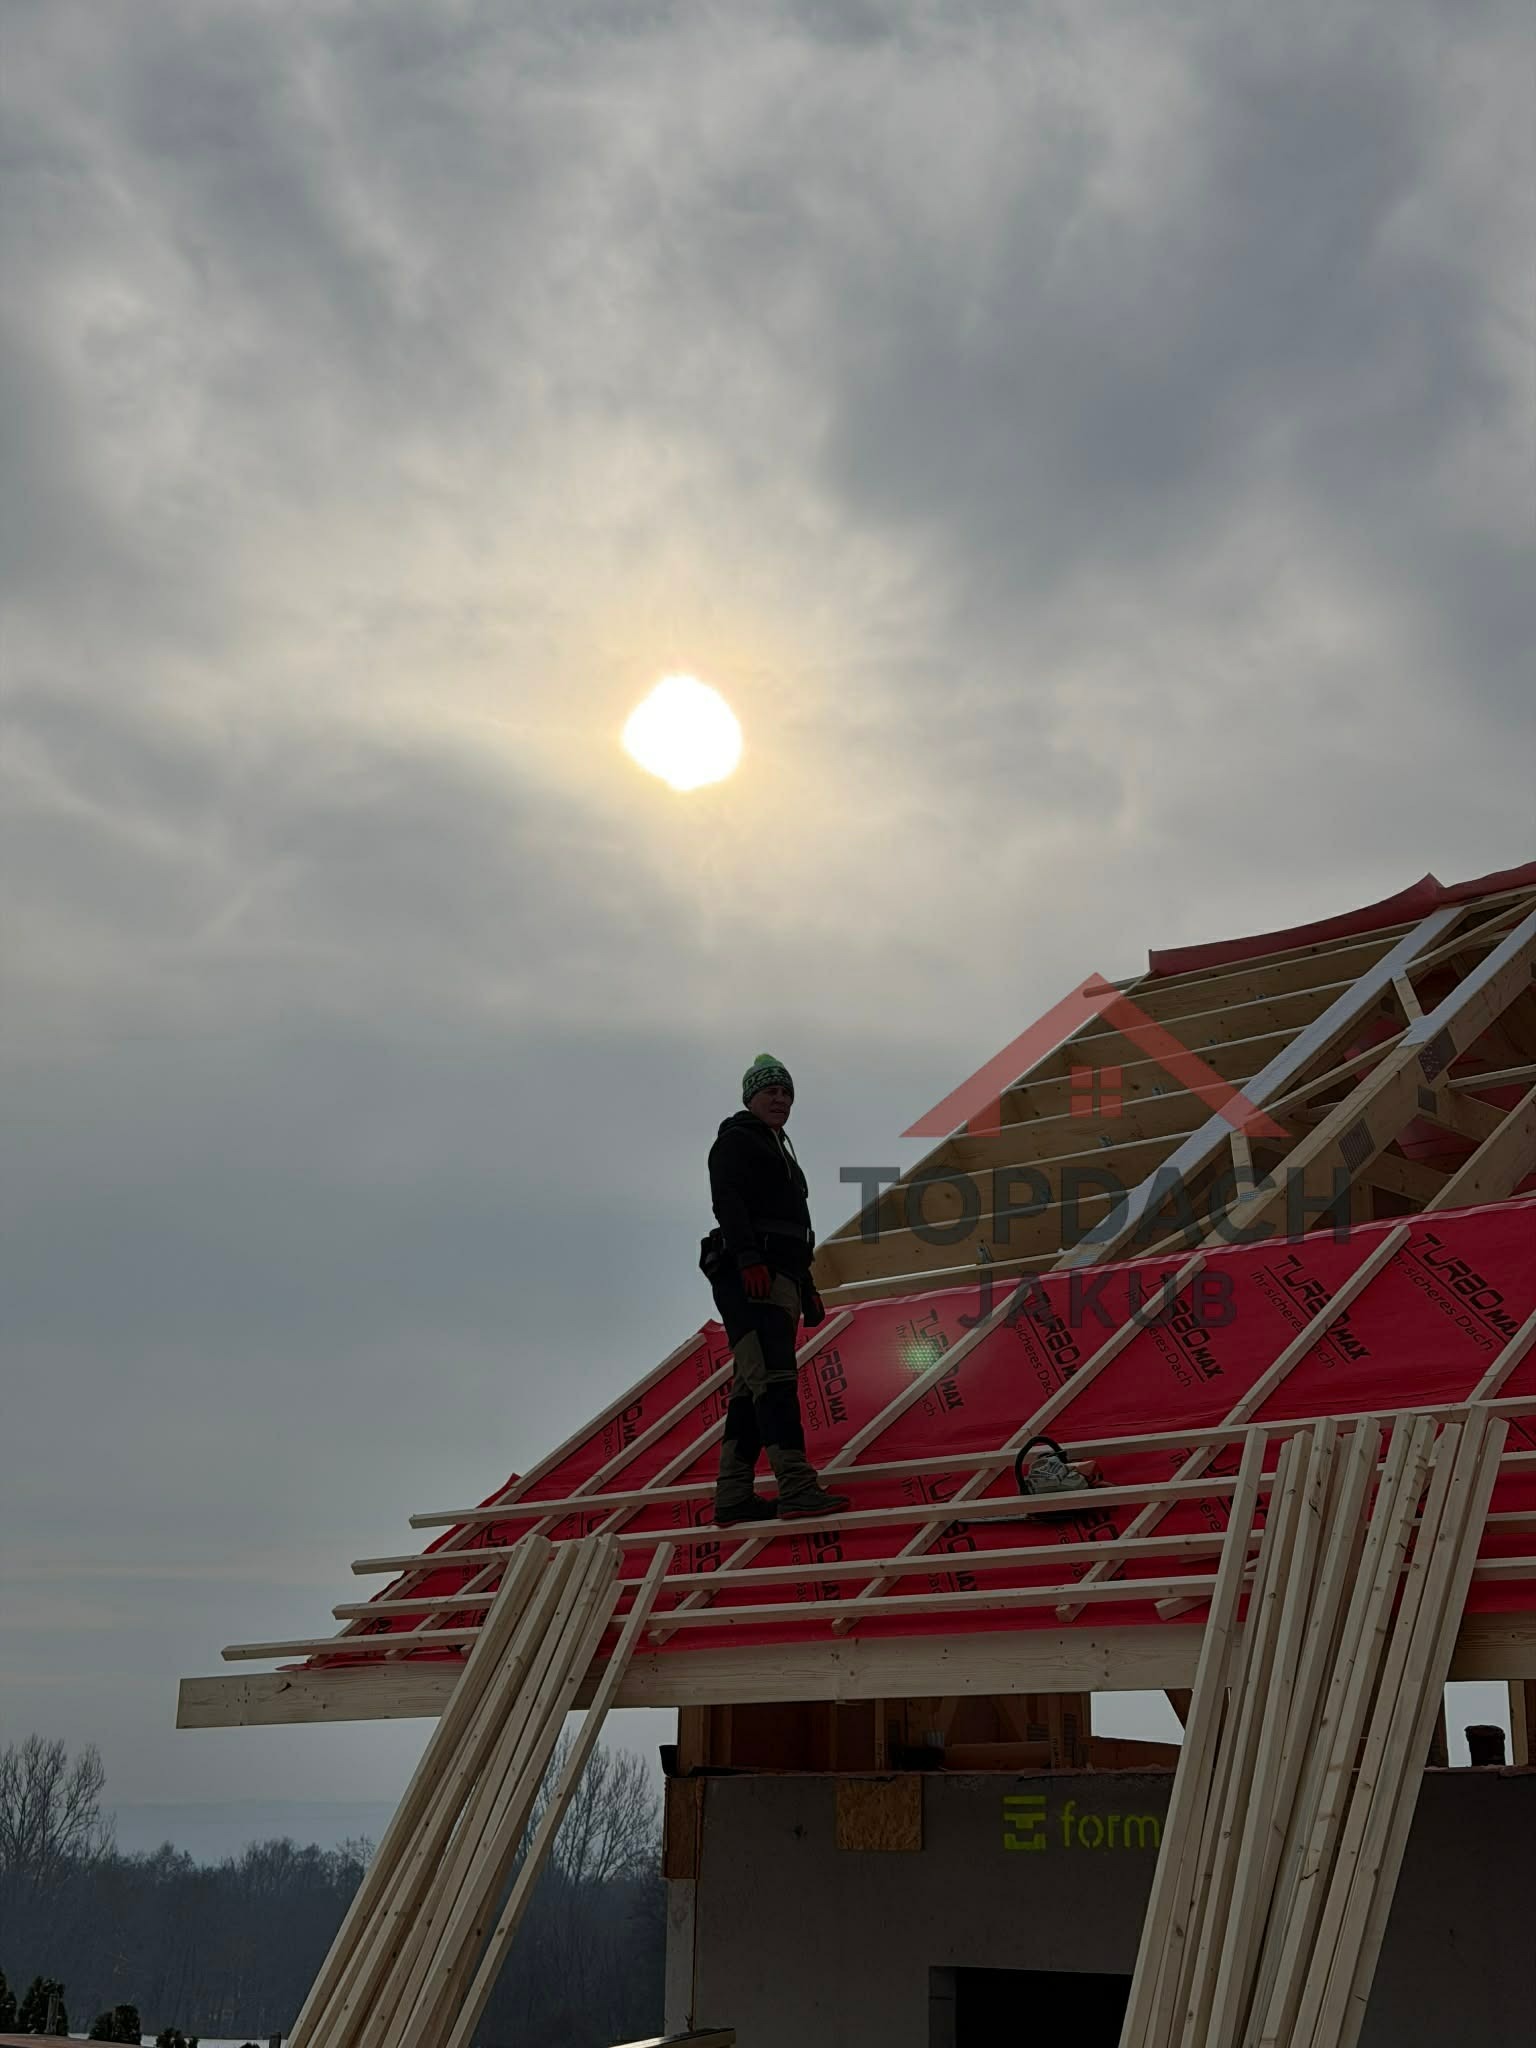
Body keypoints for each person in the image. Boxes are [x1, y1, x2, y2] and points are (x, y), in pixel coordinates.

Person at [700, 1053, 853, 1525]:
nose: (780, 1099)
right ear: (751, 1097)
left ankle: (733, 1497)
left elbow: (793, 1224)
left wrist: (806, 1285)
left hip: (781, 1276)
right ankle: (797, 1488)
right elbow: (729, 1201)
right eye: (771, 1091)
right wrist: (747, 1259)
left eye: (786, 1093)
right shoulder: (737, 1142)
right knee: (776, 1382)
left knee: (752, 1387)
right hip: (753, 1278)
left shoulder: (778, 1147)